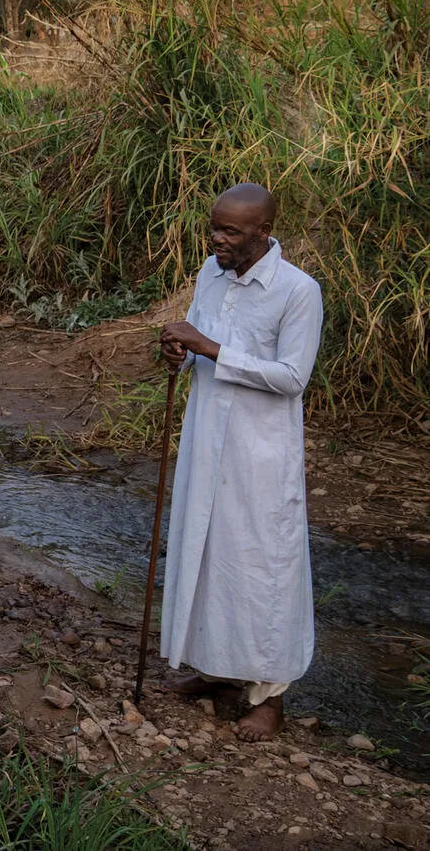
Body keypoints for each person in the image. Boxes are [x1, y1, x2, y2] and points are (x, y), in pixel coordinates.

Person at [158, 183, 323, 742]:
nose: (217, 239)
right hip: (207, 438)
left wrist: (208, 348)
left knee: (262, 565)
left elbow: (292, 377)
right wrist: (178, 352)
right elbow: (197, 341)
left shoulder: (298, 291)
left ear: (264, 233)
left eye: (231, 231)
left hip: (261, 452)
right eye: (215, 227)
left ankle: (270, 698)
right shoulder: (211, 272)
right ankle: (217, 673)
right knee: (208, 551)